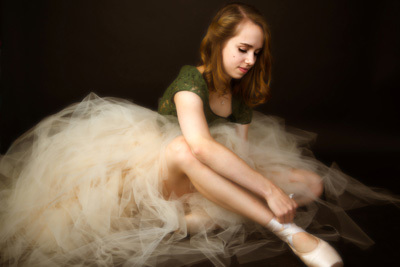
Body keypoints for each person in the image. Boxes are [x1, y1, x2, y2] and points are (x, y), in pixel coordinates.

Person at [0, 2, 397, 267]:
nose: (250, 60)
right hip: (164, 175)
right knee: (186, 149)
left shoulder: (238, 93)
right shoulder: (192, 82)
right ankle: (289, 233)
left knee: (311, 181)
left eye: (256, 53)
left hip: (206, 177)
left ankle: (191, 221)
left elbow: (241, 151)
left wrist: (266, 182)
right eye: (243, 49)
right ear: (220, 42)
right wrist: (270, 193)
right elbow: (203, 146)